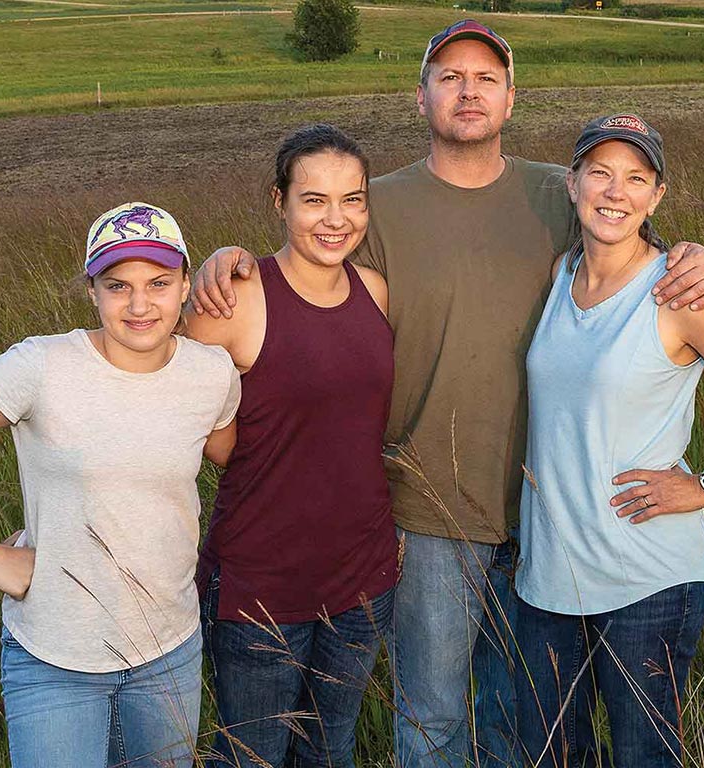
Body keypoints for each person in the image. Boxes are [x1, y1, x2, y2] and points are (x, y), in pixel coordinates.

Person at [189, 21, 704, 767]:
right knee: (432, 719)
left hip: (550, 516)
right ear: (421, 97)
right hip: (429, 513)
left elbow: (637, 243)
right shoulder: (373, 206)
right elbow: (302, 267)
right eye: (449, 76)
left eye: (485, 77)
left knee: (520, 724)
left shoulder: (560, 191)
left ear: (511, 98)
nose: (468, 90)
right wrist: (227, 260)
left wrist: (702, 254)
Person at [0, 202, 241, 768]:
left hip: (167, 650)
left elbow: (234, 456)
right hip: (55, 656)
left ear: (185, 286)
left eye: (159, 283)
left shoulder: (210, 372)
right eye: (118, 285)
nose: (141, 304)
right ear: (91, 290)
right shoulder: (42, 366)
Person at [513, 114, 704, 767]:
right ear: (572, 184)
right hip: (548, 581)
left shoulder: (678, 293)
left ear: (656, 197)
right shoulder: (559, 275)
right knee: (551, 756)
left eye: (636, 178)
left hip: (645, 584)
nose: (615, 191)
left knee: (643, 757)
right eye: (600, 172)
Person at [184, 124, 398, 768]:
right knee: (254, 753)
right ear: (279, 202)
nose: (336, 220)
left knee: (330, 748)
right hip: (261, 579)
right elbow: (202, 432)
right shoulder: (237, 298)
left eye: (352, 199)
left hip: (362, 576)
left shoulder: (375, 291)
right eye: (314, 200)